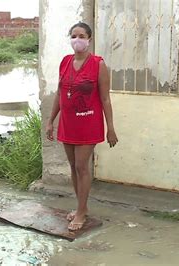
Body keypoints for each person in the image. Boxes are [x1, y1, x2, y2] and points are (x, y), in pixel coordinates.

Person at [45, 22, 118, 231]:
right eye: (74, 35)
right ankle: (80, 207)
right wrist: (51, 121)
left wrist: (110, 127)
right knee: (73, 167)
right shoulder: (65, 62)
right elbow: (60, 94)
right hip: (68, 123)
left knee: (81, 166)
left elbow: (105, 99)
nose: (77, 40)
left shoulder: (98, 64)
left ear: (89, 39)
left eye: (82, 36)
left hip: (89, 122)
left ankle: (82, 211)